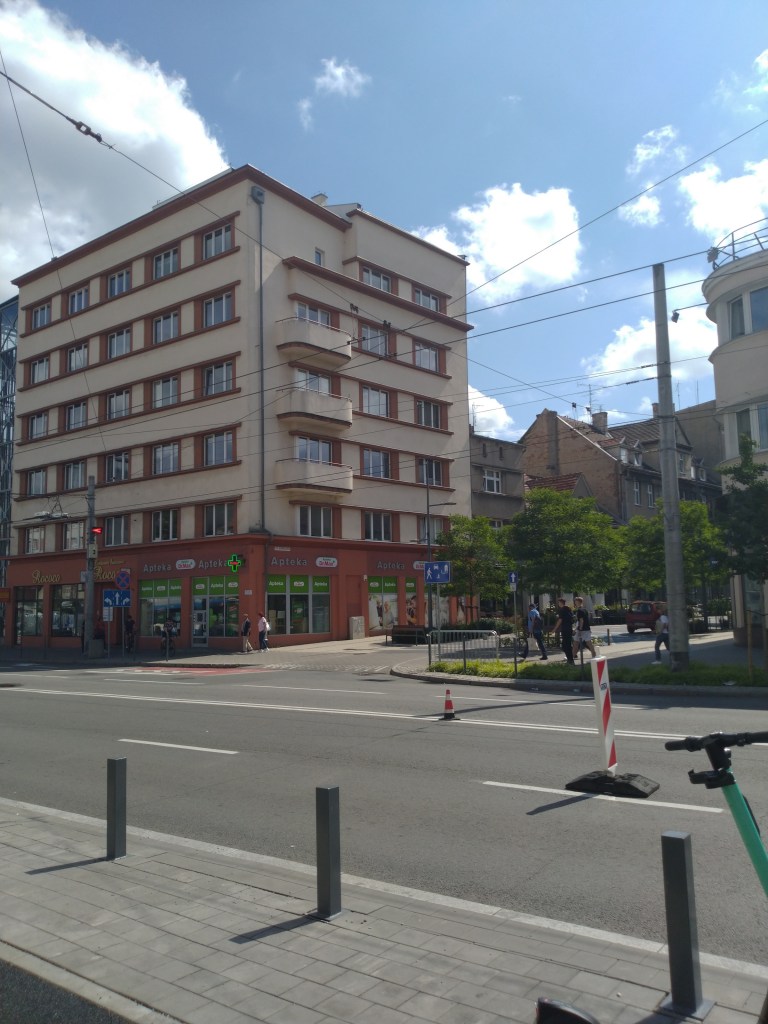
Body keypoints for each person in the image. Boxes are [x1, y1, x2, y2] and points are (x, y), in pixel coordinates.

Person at [554, 598, 575, 664]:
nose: (558, 604)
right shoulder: (569, 610)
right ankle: (570, 659)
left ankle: (570, 660)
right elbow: (572, 619)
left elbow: (560, 620)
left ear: (560, 603)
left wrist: (554, 629)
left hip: (565, 629)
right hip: (569, 628)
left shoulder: (562, 610)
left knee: (565, 645)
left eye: (558, 603)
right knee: (567, 644)